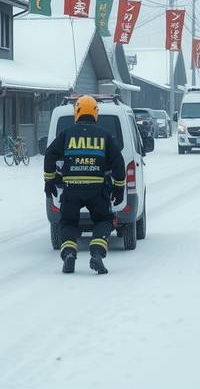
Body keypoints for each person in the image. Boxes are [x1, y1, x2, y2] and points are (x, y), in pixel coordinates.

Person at [44, 95, 126, 274]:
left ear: (76, 113)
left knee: (68, 222)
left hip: (72, 189)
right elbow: (118, 162)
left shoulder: (66, 134)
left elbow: (50, 154)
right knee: (104, 220)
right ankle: (96, 253)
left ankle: (69, 254)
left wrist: (49, 181)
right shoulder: (104, 136)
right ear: (96, 113)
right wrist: (119, 186)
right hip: (97, 190)